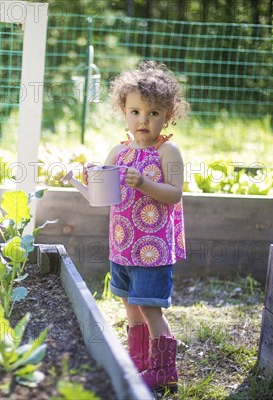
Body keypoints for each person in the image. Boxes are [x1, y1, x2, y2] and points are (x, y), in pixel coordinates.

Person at [90, 61, 189, 392]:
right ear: (123, 110)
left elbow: (174, 194)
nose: (143, 120)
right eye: (135, 112)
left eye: (153, 113)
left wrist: (145, 183)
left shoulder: (168, 151)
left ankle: (164, 370)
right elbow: (102, 195)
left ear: (168, 114)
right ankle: (139, 361)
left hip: (152, 249)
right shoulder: (118, 151)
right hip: (122, 246)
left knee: (150, 306)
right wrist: (91, 178)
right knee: (130, 305)